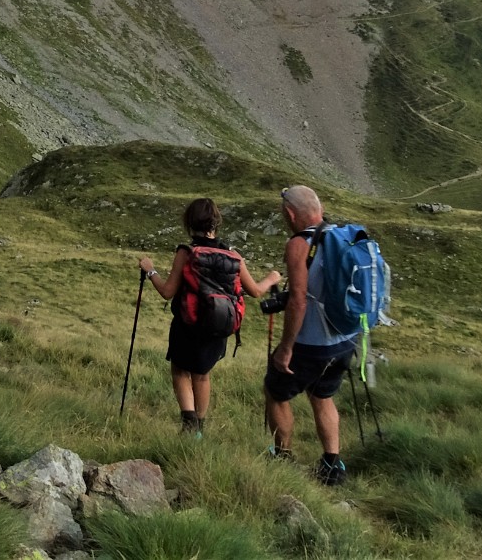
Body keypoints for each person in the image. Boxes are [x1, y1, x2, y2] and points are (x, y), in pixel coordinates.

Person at [139, 197, 281, 438]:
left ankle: (188, 421)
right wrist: (272, 278)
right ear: (216, 223)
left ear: (190, 223)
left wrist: (150, 270)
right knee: (203, 375)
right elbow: (256, 291)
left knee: (181, 370)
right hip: (218, 326)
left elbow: (167, 292)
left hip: (187, 324)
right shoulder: (233, 255)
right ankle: (199, 431)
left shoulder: (187, 252)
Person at [264, 184, 359, 486]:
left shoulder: (299, 243)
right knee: (323, 395)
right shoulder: (343, 236)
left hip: (311, 343)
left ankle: (283, 457)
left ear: (291, 214)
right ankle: (332, 466)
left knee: (276, 393)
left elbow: (299, 299)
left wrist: (286, 347)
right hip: (345, 338)